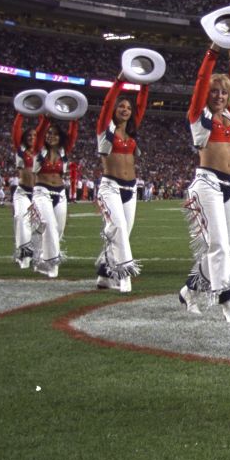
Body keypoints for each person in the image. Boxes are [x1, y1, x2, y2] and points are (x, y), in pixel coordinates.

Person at [178, 44, 230, 325]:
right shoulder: (199, 115)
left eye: (223, 91)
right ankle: (227, 300)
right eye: (214, 91)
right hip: (207, 185)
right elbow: (200, 81)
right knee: (218, 244)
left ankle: (188, 290)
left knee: (222, 247)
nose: (219, 95)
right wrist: (213, 50)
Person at [94, 71, 149, 293]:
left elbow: (142, 106)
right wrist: (119, 81)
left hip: (130, 188)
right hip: (110, 187)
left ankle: (104, 274)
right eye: (121, 107)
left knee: (121, 233)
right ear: (114, 111)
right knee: (117, 227)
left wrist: (145, 85)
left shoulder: (132, 133)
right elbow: (107, 103)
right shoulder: (104, 131)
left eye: (128, 107)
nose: (125, 110)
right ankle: (124, 275)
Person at [28, 114, 79, 278]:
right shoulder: (39, 150)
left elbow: (73, 132)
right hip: (42, 192)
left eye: (55, 134)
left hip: (60, 193)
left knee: (58, 230)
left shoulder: (64, 151)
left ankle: (42, 259)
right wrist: (45, 120)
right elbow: (40, 131)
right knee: (49, 225)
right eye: (49, 133)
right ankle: (52, 265)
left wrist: (74, 118)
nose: (51, 136)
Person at [11, 113, 42, 269]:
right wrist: (22, 113)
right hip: (23, 192)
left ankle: (37, 254)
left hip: (38, 194)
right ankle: (24, 254)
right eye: (29, 135)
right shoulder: (21, 150)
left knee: (39, 225)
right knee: (21, 220)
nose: (31, 137)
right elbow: (16, 129)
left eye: (35, 135)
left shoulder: (41, 152)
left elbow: (43, 130)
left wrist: (44, 117)